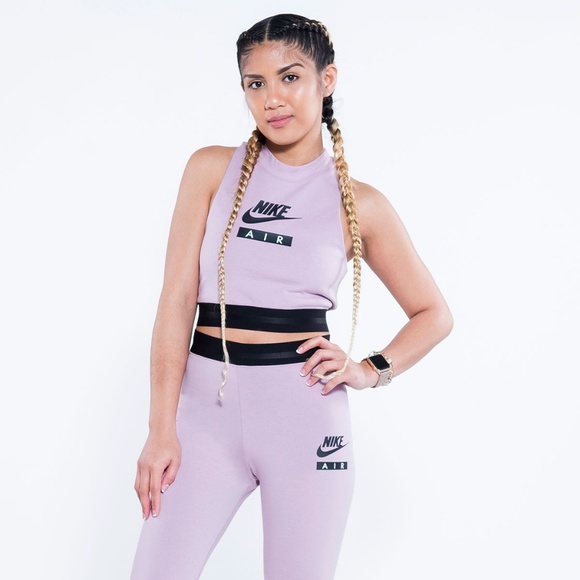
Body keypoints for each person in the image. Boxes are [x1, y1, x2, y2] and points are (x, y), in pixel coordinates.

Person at [130, 13, 453, 580]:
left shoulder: (360, 204)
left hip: (306, 422)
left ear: (326, 79)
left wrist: (369, 370)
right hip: (203, 419)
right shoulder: (210, 170)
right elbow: (176, 302)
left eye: (290, 77)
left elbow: (434, 315)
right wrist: (160, 429)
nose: (272, 99)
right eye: (255, 83)